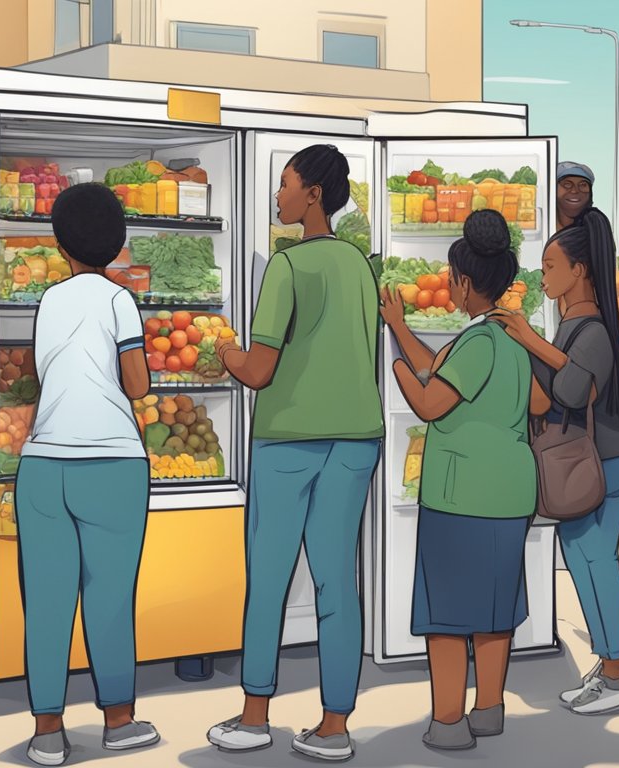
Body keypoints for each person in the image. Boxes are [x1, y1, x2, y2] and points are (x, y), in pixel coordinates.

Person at [206, 144, 382, 763]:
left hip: (289, 439)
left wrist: (225, 350)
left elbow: (257, 371)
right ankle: (335, 725)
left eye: (285, 185)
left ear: (312, 194)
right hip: (358, 437)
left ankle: (255, 715)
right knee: (338, 580)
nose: (277, 196)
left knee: (271, 577)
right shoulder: (359, 264)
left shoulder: (287, 266)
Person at [381, 209, 547, 751]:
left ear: (467, 283)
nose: (449, 286)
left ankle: (448, 722)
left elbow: (430, 398)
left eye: (452, 277)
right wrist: (403, 328)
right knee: (496, 608)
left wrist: (394, 364)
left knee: (449, 614)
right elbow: (535, 399)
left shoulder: (477, 343)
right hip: (509, 492)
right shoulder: (508, 335)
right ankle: (490, 709)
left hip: (461, 496)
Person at [15, 182, 158, 767]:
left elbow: (43, 376)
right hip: (113, 464)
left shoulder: (50, 299)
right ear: (118, 243)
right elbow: (137, 383)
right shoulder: (120, 300)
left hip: (44, 465)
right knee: (109, 596)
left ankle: (48, 730)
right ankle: (118, 721)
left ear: (60, 243)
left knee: (46, 600)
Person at [491, 207, 619, 714]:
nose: (544, 276)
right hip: (591, 458)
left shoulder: (595, 327)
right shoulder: (574, 323)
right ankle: (606, 665)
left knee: (598, 559)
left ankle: (617, 673)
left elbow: (575, 389)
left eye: (552, 266)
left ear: (579, 269)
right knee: (583, 560)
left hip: (608, 460)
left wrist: (529, 340)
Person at [556, 162, 595, 232]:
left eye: (583, 185)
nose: (575, 190)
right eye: (567, 184)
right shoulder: (542, 228)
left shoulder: (595, 230)